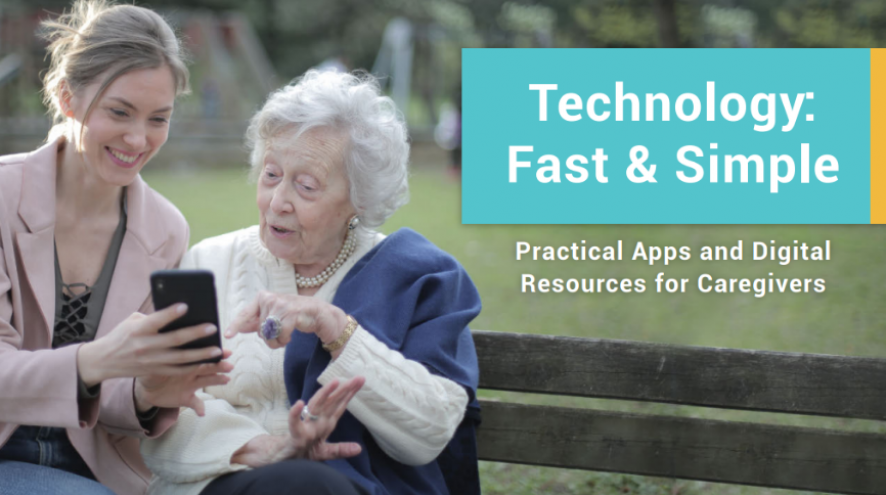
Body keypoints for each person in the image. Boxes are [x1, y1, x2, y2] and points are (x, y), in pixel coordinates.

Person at [141, 70, 482, 495]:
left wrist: (336, 329)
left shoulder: (418, 277)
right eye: (270, 175)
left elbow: (431, 432)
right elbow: (161, 409)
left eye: (305, 186)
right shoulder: (208, 262)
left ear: (359, 199)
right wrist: (260, 448)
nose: (277, 201)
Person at [0, 2, 232, 494]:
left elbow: (119, 403)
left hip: (99, 468)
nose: (137, 138)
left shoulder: (166, 229)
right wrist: (97, 359)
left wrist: (151, 392)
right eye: (119, 111)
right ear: (67, 97)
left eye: (158, 119)